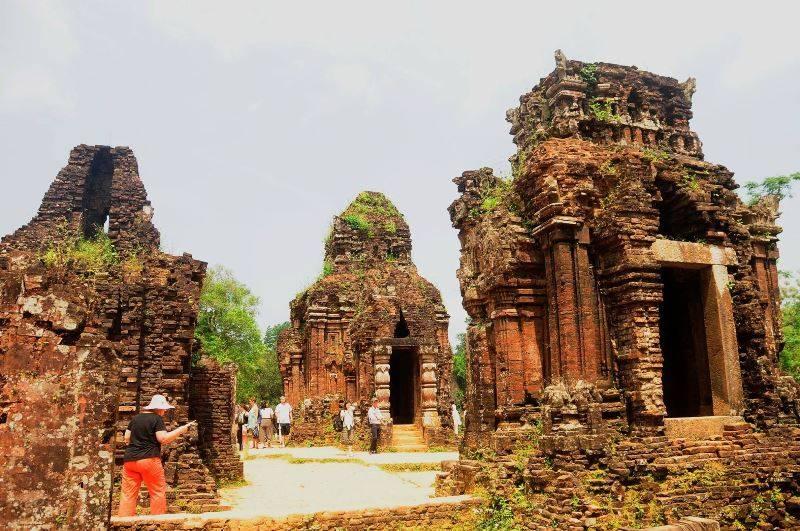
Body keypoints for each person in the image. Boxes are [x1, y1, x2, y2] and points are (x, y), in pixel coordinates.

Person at [118, 394, 196, 516]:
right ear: (158, 408)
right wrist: (181, 430)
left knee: (128, 494)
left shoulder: (135, 418)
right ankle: (158, 523)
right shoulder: (156, 419)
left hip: (130, 461)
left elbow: (127, 438)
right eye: (164, 408)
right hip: (149, 459)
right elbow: (163, 439)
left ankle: (124, 523)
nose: (165, 411)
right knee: (157, 492)